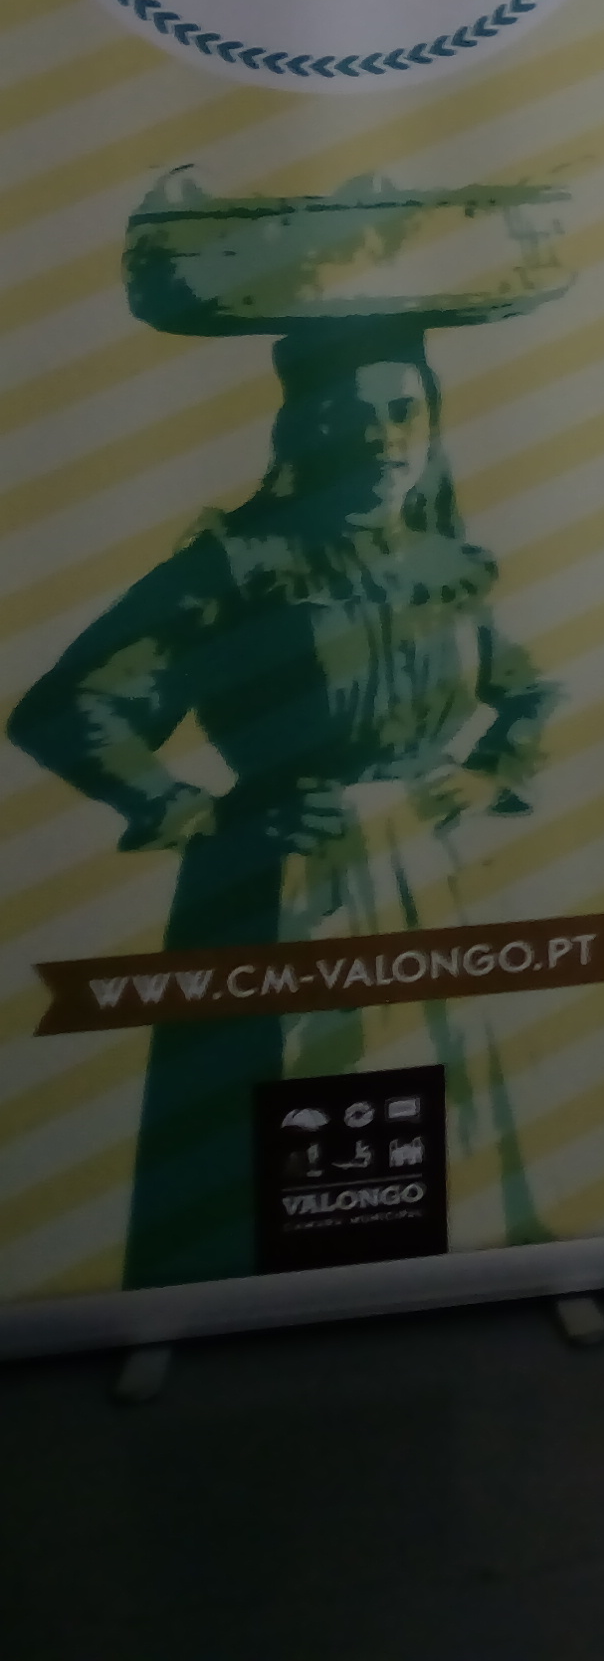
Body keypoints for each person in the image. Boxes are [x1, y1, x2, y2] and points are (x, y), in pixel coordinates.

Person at [9, 321, 557, 1288]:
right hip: (277, 881)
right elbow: (69, 706)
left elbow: (529, 691)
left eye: (404, 412)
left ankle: (449, 1274)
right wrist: (197, 811)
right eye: (348, 418)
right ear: (301, 430)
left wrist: (486, 773)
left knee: (436, 1094)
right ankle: (249, 1295)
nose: (382, 439)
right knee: (284, 1107)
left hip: (432, 878)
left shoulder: (447, 565)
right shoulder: (237, 563)